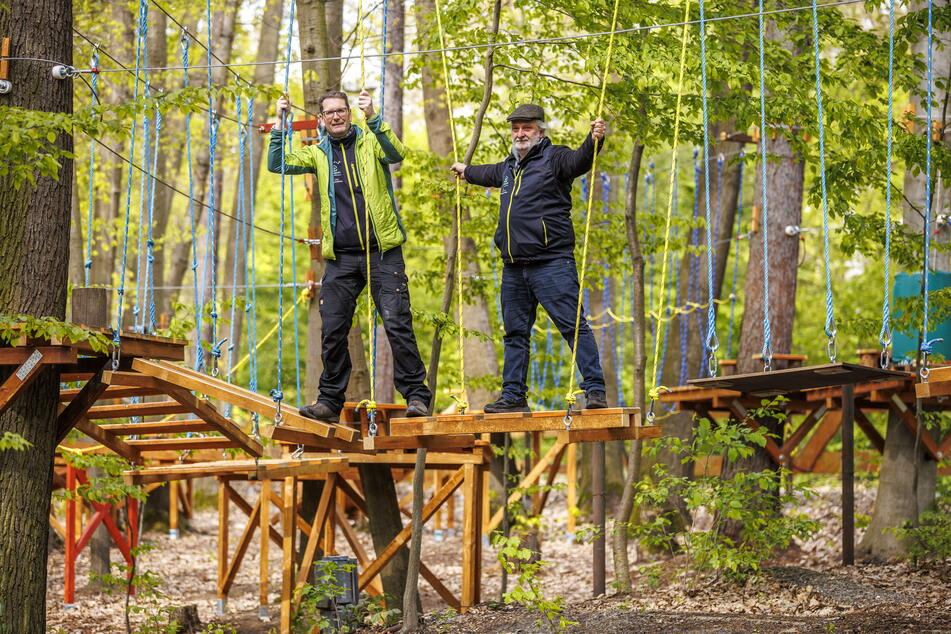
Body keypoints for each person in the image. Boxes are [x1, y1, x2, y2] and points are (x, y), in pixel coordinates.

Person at [268, 90, 431, 422]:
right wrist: (280, 126)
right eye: (329, 113)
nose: (336, 117)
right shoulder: (317, 154)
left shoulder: (370, 143)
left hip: (382, 253)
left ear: (349, 114)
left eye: (341, 111)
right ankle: (329, 401)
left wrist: (374, 117)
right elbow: (277, 163)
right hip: (341, 259)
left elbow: (397, 153)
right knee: (333, 328)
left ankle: (416, 395)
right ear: (321, 119)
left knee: (397, 323)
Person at [450, 104, 608, 413]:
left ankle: (595, 389)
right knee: (515, 334)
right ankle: (513, 397)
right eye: (516, 128)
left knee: (572, 326)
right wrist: (466, 172)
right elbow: (484, 172)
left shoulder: (555, 159)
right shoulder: (509, 167)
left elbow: (581, 160)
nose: (520, 133)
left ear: (540, 132)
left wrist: (594, 141)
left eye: (527, 128)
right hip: (514, 268)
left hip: (551, 263)